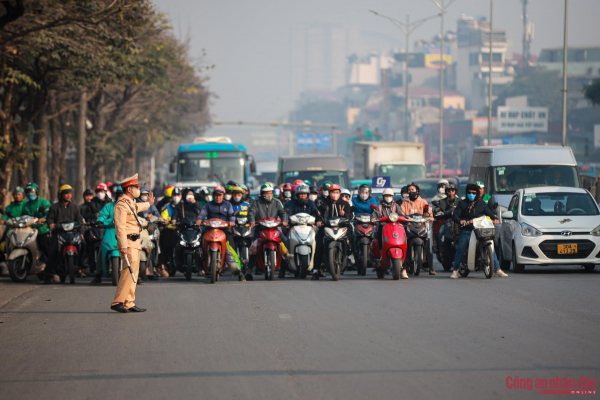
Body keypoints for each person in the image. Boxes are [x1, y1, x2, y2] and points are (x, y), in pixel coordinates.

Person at [111, 174, 154, 313]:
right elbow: (120, 227)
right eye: (136, 187)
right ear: (129, 189)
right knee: (128, 272)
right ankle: (118, 301)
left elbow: (138, 207)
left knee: (133, 274)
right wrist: (123, 246)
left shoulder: (129, 203)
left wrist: (148, 203)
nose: (138, 189)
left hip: (135, 242)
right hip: (127, 243)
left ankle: (129, 302)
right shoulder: (121, 205)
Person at [450, 183, 508, 279]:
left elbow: (489, 212)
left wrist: (494, 218)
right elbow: (455, 216)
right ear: (466, 193)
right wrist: (461, 221)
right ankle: (455, 270)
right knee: (461, 248)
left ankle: (497, 270)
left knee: (491, 247)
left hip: (480, 230)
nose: (471, 194)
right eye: (469, 193)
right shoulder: (462, 203)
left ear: (477, 194)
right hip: (467, 230)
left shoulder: (481, 203)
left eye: (474, 193)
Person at [195, 186, 240, 277]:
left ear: (223, 196)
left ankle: (236, 268)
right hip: (210, 229)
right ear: (213, 195)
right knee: (198, 246)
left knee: (232, 246)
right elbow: (202, 213)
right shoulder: (208, 205)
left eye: (220, 195)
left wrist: (232, 221)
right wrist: (199, 219)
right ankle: (200, 268)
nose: (218, 197)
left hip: (224, 229)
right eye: (216, 195)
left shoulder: (228, 205)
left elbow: (232, 215)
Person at [44, 185, 85, 284]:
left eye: (70, 193)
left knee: (83, 244)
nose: (68, 195)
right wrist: (51, 224)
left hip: (73, 234)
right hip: (58, 233)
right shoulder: (54, 207)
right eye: (66, 193)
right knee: (52, 251)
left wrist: (81, 233)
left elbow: (80, 221)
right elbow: (49, 218)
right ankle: (48, 274)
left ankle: (80, 266)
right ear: (61, 195)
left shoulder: (75, 207)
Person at [247, 184, 289, 280]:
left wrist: (284, 220)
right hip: (260, 229)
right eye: (266, 193)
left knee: (285, 241)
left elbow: (282, 213)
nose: (269, 195)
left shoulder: (277, 203)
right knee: (254, 247)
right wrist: (252, 221)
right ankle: (249, 270)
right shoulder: (256, 203)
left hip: (274, 229)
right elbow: (251, 213)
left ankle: (284, 266)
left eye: (270, 193)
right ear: (262, 194)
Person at [313, 184, 353, 280]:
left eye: (336, 193)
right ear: (329, 193)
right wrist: (318, 221)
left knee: (351, 235)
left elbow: (350, 216)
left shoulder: (345, 204)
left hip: (342, 227)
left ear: (339, 194)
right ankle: (316, 270)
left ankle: (350, 255)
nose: (334, 195)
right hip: (326, 227)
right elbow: (318, 214)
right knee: (319, 245)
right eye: (332, 192)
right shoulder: (323, 203)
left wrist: (345, 214)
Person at [91, 186, 124, 284]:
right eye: (119, 194)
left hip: (127, 232)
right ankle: (98, 274)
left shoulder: (131, 206)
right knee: (103, 248)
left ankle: (137, 274)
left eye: (123, 194)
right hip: (111, 231)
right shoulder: (109, 206)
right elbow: (101, 217)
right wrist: (103, 221)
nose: (121, 196)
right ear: (116, 195)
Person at [372, 188, 408, 279]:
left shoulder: (396, 206)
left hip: (395, 227)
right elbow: (374, 216)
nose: (388, 198)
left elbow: (400, 215)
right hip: (383, 227)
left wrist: (405, 219)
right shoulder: (379, 207)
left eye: (390, 196)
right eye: (386, 196)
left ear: (392, 197)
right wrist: (374, 219)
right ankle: (381, 254)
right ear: (383, 197)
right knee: (379, 236)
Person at [401, 183, 435, 275]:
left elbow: (429, 215)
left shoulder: (423, 202)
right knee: (405, 245)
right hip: (409, 227)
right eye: (409, 190)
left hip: (422, 227)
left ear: (417, 191)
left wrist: (429, 217)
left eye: (412, 189)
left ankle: (431, 268)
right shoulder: (405, 203)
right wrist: (404, 218)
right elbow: (402, 214)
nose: (410, 191)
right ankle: (404, 266)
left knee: (427, 245)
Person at [21, 183, 51, 267]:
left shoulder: (44, 202)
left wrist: (44, 218)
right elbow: (22, 216)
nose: (29, 193)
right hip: (29, 229)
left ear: (36, 192)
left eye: (31, 191)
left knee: (45, 247)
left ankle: (53, 269)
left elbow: (48, 213)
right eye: (27, 192)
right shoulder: (25, 205)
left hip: (41, 229)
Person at [158, 187, 180, 275]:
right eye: (174, 195)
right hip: (170, 231)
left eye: (178, 195)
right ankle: (164, 264)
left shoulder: (183, 206)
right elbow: (162, 218)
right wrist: (164, 222)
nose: (176, 197)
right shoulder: (166, 207)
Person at [433, 182, 460, 251]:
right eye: (449, 190)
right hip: (446, 221)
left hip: (458, 222)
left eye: (452, 190)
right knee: (440, 233)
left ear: (455, 191)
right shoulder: (441, 201)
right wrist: (439, 212)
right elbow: (438, 211)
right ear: (446, 191)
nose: (451, 192)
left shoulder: (460, 201)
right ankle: (440, 248)